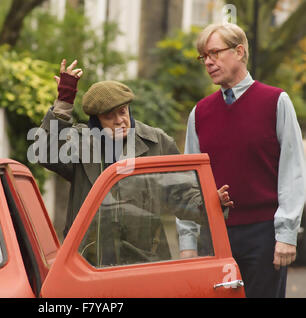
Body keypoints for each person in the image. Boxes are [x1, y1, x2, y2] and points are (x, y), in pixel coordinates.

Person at [37, 58, 233, 243]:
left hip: (143, 257)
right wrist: (64, 102)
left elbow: (181, 193)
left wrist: (211, 202)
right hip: (88, 256)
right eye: (109, 116)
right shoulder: (80, 142)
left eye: (123, 111)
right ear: (96, 121)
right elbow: (46, 154)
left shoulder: (158, 143)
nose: (120, 120)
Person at [177, 23, 305, 298]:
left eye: (214, 53)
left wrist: (286, 235)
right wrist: (187, 240)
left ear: (239, 51)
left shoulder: (276, 102)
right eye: (203, 57)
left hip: (265, 236)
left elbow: (293, 172)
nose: (208, 62)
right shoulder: (199, 113)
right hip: (214, 238)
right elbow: (191, 181)